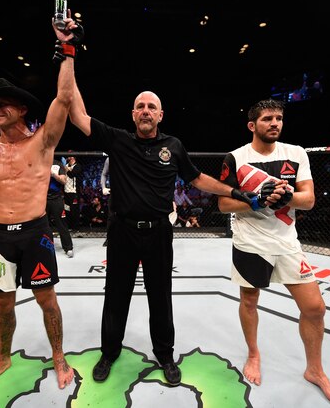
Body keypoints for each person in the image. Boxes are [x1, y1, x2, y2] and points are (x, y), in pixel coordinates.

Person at [66, 81, 262, 386]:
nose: (146, 111)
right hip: (122, 232)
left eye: (151, 107)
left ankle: (166, 355)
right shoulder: (117, 140)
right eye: (140, 107)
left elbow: (197, 179)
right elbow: (77, 114)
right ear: (133, 114)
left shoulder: (174, 146)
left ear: (161, 115)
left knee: (161, 297)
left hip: (158, 232)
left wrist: (235, 191)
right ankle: (109, 353)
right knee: (116, 296)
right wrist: (69, 55)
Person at [0, 14, 82, 394]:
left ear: (22, 109)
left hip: (36, 233)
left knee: (47, 301)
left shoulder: (41, 143)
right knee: (2, 306)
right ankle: (2, 358)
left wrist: (67, 50)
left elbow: (65, 99)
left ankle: (58, 355)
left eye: (3, 103)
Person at [217, 98, 330, 407]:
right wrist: (256, 200)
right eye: (267, 119)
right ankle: (253, 354)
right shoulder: (234, 158)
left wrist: (285, 196)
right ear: (252, 125)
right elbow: (222, 204)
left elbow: (309, 199)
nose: (275, 123)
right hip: (250, 242)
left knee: (314, 308)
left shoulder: (296, 154)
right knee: (249, 300)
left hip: (287, 243)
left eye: (279, 119)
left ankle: (315, 370)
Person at [47, 157, 74, 257]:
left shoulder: (57, 164)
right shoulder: (39, 163)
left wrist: (53, 174)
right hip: (41, 199)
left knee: (61, 224)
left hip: (56, 198)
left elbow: (63, 180)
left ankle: (68, 247)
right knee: (42, 224)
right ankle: (45, 247)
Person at [63, 152, 83, 230]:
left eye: (70, 155)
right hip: (66, 191)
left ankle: (75, 227)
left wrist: (67, 169)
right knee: (67, 209)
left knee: (74, 210)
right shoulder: (66, 166)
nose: (68, 156)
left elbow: (72, 175)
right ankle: (69, 226)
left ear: (73, 157)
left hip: (74, 192)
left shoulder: (78, 166)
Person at [100, 156, 111, 246]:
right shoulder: (110, 159)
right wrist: (104, 187)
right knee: (111, 216)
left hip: (130, 191)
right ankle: (110, 238)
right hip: (115, 191)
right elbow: (104, 174)